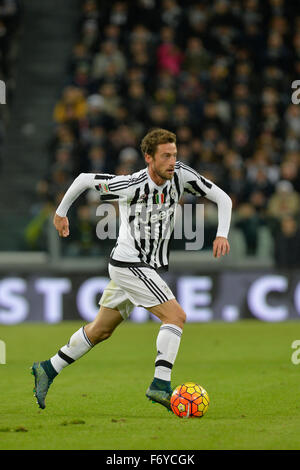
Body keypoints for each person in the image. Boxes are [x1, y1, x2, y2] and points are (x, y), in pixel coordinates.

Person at [31, 128, 232, 411]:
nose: (172, 161)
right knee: (176, 316)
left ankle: (47, 368)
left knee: (101, 330)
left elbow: (223, 198)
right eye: (165, 156)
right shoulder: (131, 184)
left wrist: (222, 233)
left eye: (174, 154)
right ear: (149, 158)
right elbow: (84, 179)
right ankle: (160, 384)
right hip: (129, 263)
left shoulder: (182, 176)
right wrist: (61, 212)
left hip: (145, 266)